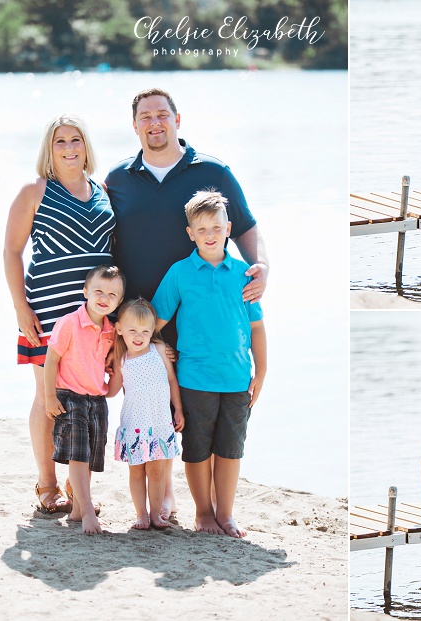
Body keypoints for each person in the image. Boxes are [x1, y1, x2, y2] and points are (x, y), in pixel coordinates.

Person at [105, 87, 270, 520]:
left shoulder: (213, 171)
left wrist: (262, 268)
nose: (154, 123)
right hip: (145, 321)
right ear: (135, 124)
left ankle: (196, 503)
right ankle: (168, 497)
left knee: (192, 413)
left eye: (162, 114)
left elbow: (247, 228)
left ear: (178, 119)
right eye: (145, 116)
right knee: (153, 405)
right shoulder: (118, 179)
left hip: (200, 316)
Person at [3, 114, 115, 514]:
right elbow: (12, 252)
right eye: (60, 142)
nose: (69, 148)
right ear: (49, 150)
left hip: (96, 316)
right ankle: (46, 483)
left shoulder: (103, 190)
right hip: (47, 312)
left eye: (76, 140)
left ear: (86, 146)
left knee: (86, 396)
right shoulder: (35, 191)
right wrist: (21, 307)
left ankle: (76, 484)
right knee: (49, 397)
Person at [151, 190, 267, 537]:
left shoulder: (244, 274)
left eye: (216, 227)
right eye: (201, 230)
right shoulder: (180, 273)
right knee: (198, 449)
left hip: (236, 379)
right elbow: (154, 322)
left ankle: (226, 514)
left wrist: (261, 371)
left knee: (231, 450)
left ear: (228, 228)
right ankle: (203, 513)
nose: (210, 235)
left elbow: (257, 328)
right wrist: (160, 349)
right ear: (191, 234)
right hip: (194, 378)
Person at [44, 265, 125, 534]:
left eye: (112, 294)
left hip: (97, 400)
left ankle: (79, 507)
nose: (104, 297)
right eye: (99, 291)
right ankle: (88, 510)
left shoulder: (112, 331)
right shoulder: (69, 323)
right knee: (78, 456)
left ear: (119, 301)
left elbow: (110, 373)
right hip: (69, 397)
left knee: (89, 456)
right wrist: (49, 396)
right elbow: (51, 360)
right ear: (85, 291)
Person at [111, 298, 185, 530]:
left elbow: (172, 381)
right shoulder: (121, 360)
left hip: (161, 422)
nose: (138, 336)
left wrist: (179, 410)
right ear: (119, 329)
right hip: (134, 424)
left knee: (157, 471)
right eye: (132, 330)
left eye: (145, 331)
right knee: (136, 472)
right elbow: (111, 392)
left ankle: (155, 514)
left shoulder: (160, 350)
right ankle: (140, 514)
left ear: (153, 330)